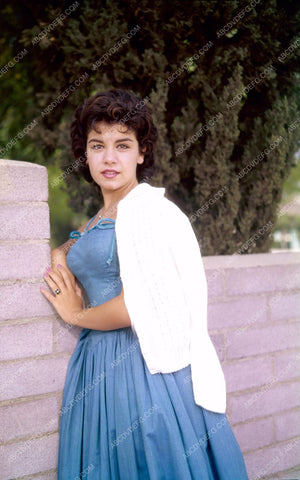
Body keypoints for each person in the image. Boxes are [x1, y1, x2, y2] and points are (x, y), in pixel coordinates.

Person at [40, 88, 249, 480]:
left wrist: (74, 312)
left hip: (139, 365)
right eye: (97, 145)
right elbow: (89, 242)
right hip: (95, 364)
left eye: (123, 144)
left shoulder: (149, 211)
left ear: (141, 153)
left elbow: (137, 305)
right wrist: (62, 251)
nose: (109, 157)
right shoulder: (106, 212)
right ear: (85, 154)